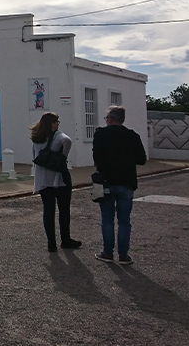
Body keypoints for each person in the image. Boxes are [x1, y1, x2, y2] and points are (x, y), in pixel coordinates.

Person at [93, 106, 147, 265]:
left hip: (106, 182)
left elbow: (96, 157)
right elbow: (141, 159)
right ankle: (123, 255)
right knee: (124, 220)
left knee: (107, 219)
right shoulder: (132, 136)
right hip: (127, 182)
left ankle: (108, 253)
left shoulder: (101, 134)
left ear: (110, 119)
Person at [30, 112, 81, 252]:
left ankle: (51, 243)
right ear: (51, 123)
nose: (58, 124)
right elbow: (68, 141)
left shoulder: (36, 138)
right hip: (60, 179)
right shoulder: (59, 136)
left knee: (48, 211)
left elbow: (34, 157)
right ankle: (65, 239)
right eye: (56, 122)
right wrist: (62, 156)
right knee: (64, 211)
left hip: (43, 181)